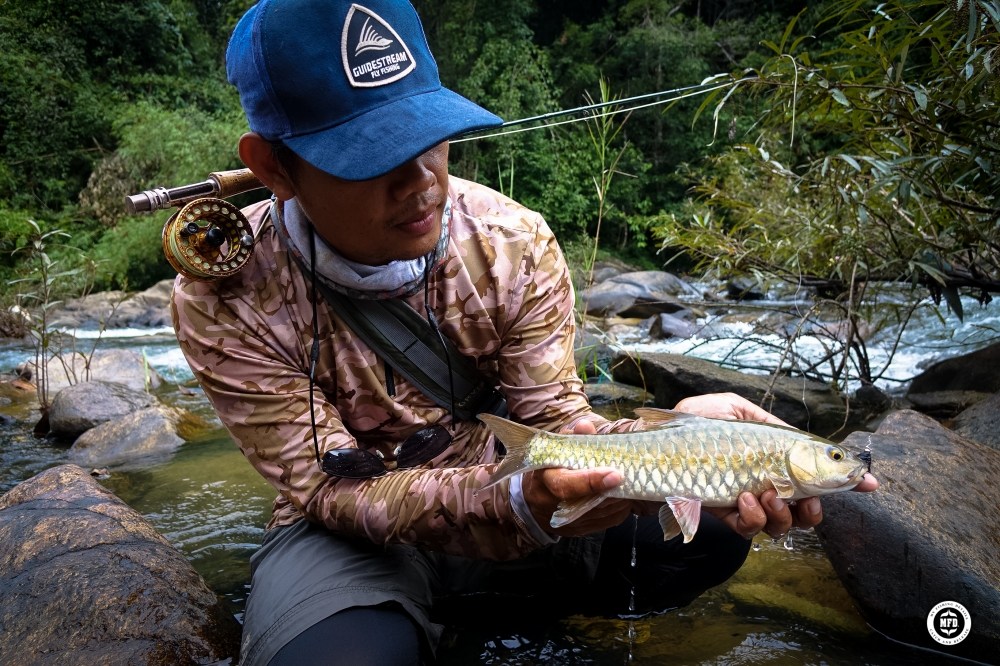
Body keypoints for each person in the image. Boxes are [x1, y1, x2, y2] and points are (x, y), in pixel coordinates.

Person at [171, 1, 879, 664]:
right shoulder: (223, 296)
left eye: (429, 137)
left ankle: (501, 616)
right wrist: (513, 501)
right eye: (372, 156)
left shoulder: (513, 240)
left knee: (715, 531)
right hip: (354, 530)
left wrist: (669, 438)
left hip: (521, 487)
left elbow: (554, 418)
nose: (421, 180)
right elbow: (333, 493)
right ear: (272, 168)